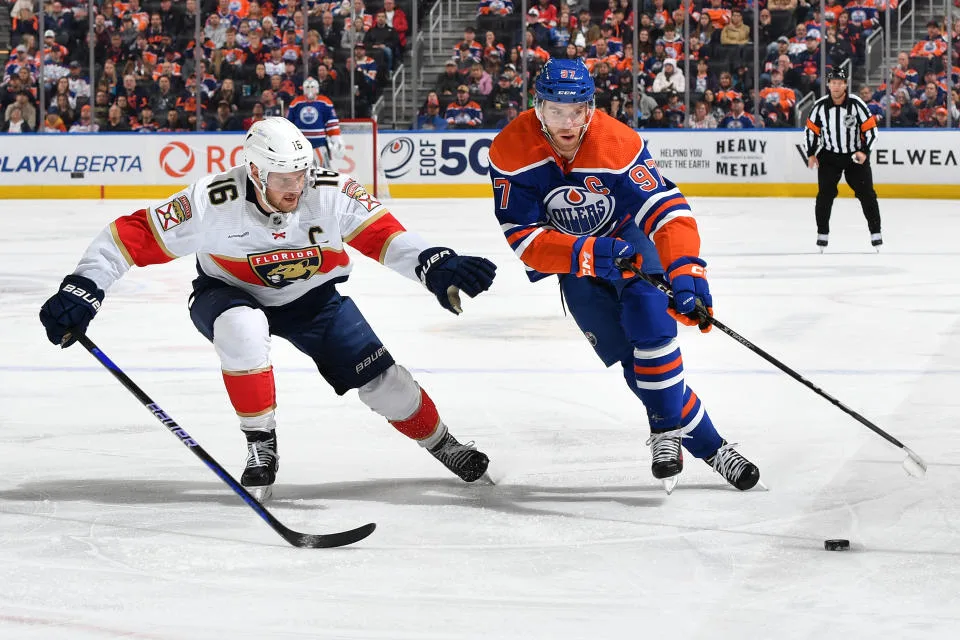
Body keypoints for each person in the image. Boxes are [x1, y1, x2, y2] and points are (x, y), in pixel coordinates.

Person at [39, 117, 498, 500]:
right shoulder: (211, 199)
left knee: (385, 383)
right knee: (243, 329)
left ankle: (445, 444)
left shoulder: (329, 189)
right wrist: (83, 287)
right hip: (227, 293)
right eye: (283, 179)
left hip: (314, 301)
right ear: (255, 174)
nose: (296, 187)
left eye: (300, 175)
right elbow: (127, 238)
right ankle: (261, 443)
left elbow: (387, 236)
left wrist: (433, 264)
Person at [486, 58, 760, 493]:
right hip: (574, 261)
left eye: (577, 110)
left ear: (591, 106)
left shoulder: (617, 142)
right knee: (636, 367)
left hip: (630, 245)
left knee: (653, 334)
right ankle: (699, 440)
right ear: (537, 106)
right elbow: (524, 240)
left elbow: (667, 212)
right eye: (555, 110)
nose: (567, 122)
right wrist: (589, 253)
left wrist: (686, 272)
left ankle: (698, 445)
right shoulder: (509, 149)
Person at [804, 66, 882, 251]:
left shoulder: (856, 104)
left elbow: (871, 130)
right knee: (825, 195)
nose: (836, 87)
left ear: (845, 85)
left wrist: (864, 151)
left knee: (867, 194)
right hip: (830, 156)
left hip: (855, 156)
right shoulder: (820, 106)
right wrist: (811, 153)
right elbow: (810, 131)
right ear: (828, 85)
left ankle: (876, 232)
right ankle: (822, 234)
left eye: (840, 83)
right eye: (833, 83)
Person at [286, 77, 344, 168]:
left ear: (317, 89)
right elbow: (289, 124)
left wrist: (336, 139)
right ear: (303, 89)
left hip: (319, 145)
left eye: (312, 87)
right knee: (302, 172)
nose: (310, 90)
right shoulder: (296, 102)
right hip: (300, 147)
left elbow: (331, 123)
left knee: (322, 172)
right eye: (307, 87)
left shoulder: (325, 102)